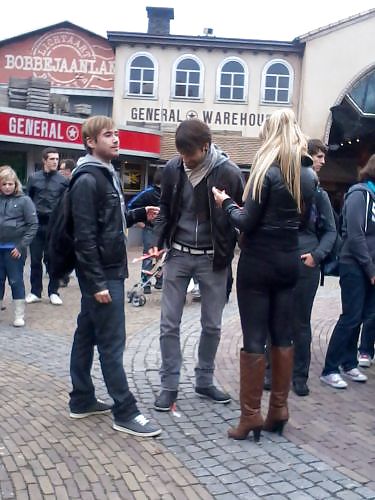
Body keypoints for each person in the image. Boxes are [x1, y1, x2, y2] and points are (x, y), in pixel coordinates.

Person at [213, 109, 318, 440]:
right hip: (289, 261)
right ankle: (279, 410)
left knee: (254, 336)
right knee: (282, 335)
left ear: (270, 134)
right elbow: (300, 222)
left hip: (258, 263)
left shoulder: (265, 171)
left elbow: (245, 222)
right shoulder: (308, 175)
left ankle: (250, 416)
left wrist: (225, 202)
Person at [68, 115, 161, 437]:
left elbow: (108, 220)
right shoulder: (88, 179)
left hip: (107, 269)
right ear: (91, 142)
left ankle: (81, 398)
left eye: (116, 134)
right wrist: (96, 284)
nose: (116, 139)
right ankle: (125, 410)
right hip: (103, 274)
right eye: (108, 135)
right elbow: (83, 236)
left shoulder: (107, 174)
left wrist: (136, 214)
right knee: (111, 342)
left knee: (87, 334)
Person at [151, 119, 244, 412]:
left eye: (190, 155)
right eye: (181, 154)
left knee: (213, 325)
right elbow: (165, 208)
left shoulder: (228, 172)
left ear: (206, 147)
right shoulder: (173, 168)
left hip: (212, 258)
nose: (185, 160)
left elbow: (240, 215)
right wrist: (156, 241)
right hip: (177, 255)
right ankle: (169, 386)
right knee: (169, 323)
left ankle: (204, 381)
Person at [320, 154, 375, 389]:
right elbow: (355, 235)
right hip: (355, 265)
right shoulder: (359, 193)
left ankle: (349, 362)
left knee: (364, 316)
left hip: (369, 266)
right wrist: (370, 268)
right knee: (351, 317)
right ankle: (330, 368)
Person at [26, 147, 68, 305]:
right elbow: (28, 200)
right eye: (52, 159)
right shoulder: (34, 178)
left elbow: (66, 204)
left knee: (53, 260)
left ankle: (53, 291)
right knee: (35, 260)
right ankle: (35, 292)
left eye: (57, 159)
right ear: (44, 160)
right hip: (36, 224)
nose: (55, 162)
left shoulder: (63, 181)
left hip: (54, 226)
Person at [0, 166, 38, 327]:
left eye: (10, 184)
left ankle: (19, 315)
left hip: (14, 249)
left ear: (15, 184)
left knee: (15, 281)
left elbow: (33, 225)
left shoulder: (25, 201)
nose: (7, 187)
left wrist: (21, 246)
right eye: (4, 184)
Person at [127, 168, 163, 294]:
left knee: (162, 256)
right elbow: (131, 206)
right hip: (150, 229)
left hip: (165, 230)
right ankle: (145, 283)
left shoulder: (171, 192)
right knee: (148, 256)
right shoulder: (148, 193)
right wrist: (140, 222)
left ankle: (160, 281)